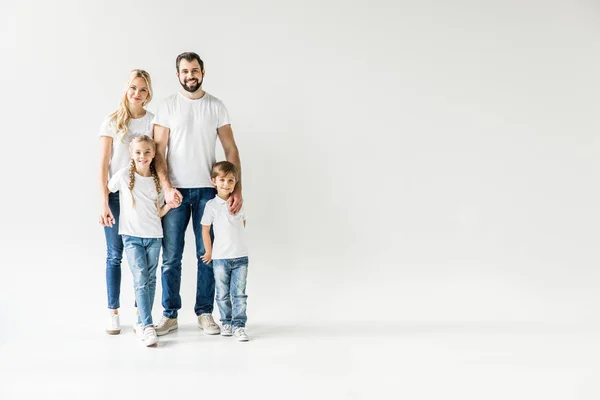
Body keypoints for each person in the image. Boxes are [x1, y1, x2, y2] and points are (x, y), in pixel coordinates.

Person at [152, 52, 243, 336]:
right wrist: (166, 188)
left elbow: (231, 150)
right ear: (177, 75)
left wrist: (236, 189)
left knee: (207, 254)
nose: (190, 76)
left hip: (208, 190)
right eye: (184, 71)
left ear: (202, 72)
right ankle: (170, 315)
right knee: (171, 256)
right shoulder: (167, 106)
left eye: (194, 70)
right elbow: (158, 152)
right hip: (175, 191)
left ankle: (205, 312)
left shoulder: (216, 106)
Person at [98, 69, 154, 335]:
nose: (137, 94)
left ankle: (139, 313)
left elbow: (159, 159)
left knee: (141, 257)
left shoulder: (154, 121)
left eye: (143, 89)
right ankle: (113, 312)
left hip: (143, 198)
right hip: (116, 196)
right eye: (133, 88)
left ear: (148, 94)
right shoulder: (112, 122)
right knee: (114, 255)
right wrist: (103, 202)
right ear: (126, 90)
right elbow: (102, 165)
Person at [107, 135, 171, 347]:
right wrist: (104, 209)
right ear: (131, 154)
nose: (142, 156)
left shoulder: (156, 181)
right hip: (131, 236)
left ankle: (142, 321)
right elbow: (108, 189)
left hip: (154, 236)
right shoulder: (124, 175)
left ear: (153, 154)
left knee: (150, 279)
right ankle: (147, 325)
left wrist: (171, 205)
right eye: (138, 152)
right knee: (141, 278)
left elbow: (159, 211)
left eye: (146, 152)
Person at [201, 161, 249, 341]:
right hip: (220, 258)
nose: (226, 184)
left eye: (230, 180)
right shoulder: (211, 205)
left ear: (235, 182)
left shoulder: (238, 204)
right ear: (214, 181)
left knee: (239, 294)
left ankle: (239, 325)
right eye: (222, 180)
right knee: (222, 293)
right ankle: (226, 322)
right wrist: (209, 251)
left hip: (241, 256)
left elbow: (242, 223)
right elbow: (205, 229)